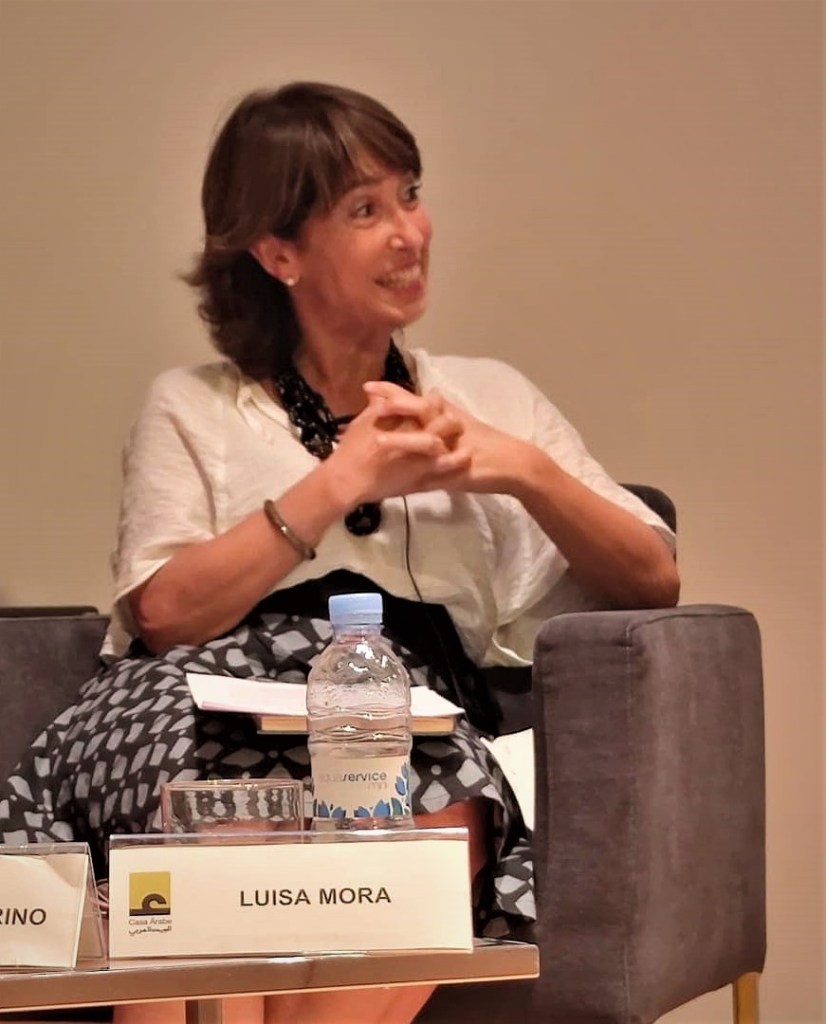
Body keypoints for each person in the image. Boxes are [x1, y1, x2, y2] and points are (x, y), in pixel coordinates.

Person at [0, 82, 679, 1023]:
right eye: (366, 210)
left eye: (411, 195)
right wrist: (338, 481)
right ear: (278, 252)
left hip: (403, 714)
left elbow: (654, 577)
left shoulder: (488, 395)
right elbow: (163, 613)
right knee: (211, 863)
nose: (409, 233)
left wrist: (519, 468)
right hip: (201, 698)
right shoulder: (192, 404)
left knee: (424, 821)